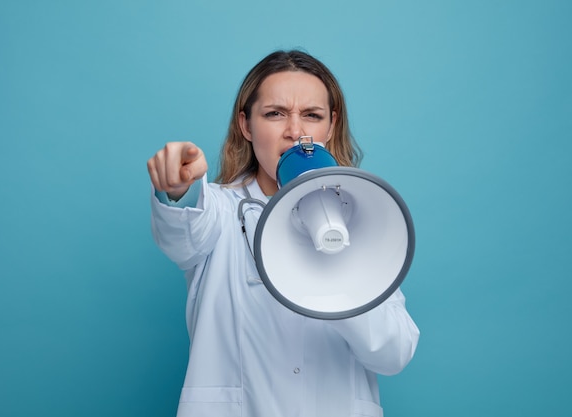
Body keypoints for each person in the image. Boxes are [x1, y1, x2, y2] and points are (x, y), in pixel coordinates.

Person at [147, 50, 419, 417]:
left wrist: (338, 267)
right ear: (246, 125)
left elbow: (394, 352)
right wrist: (180, 186)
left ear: (331, 126)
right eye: (274, 114)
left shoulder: (367, 217)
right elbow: (185, 229)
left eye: (312, 115)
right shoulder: (222, 210)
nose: (295, 131)